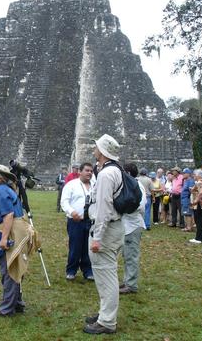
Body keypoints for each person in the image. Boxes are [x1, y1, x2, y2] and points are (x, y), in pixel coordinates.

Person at [84, 134, 124, 335]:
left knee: (106, 275)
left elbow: (103, 209)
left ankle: (107, 321)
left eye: (97, 146)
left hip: (106, 231)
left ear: (103, 150)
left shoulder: (107, 175)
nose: (94, 149)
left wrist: (97, 238)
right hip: (113, 228)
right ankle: (104, 313)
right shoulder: (113, 170)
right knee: (104, 274)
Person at [0, 164, 36, 316]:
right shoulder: (3, 190)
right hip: (15, 229)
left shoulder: (0, 190)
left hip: (11, 231)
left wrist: (4, 238)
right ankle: (17, 303)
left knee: (9, 271)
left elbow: (8, 215)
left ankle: (7, 308)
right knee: (14, 268)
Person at [60, 163, 95, 281]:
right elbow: (64, 201)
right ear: (80, 171)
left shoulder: (95, 186)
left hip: (90, 221)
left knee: (88, 247)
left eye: (91, 171)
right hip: (75, 220)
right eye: (87, 170)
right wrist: (72, 212)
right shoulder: (71, 185)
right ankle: (71, 270)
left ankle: (88, 270)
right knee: (75, 246)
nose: (89, 173)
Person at [119, 163, 146, 294]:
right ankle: (127, 280)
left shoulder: (137, 186)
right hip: (126, 225)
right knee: (127, 255)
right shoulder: (129, 185)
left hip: (133, 225)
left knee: (132, 255)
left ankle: (131, 285)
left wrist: (122, 208)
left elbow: (140, 206)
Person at [189, 169, 202, 244]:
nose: (193, 176)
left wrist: (195, 201)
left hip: (199, 204)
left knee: (198, 220)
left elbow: (201, 192)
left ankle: (198, 238)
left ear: (198, 175)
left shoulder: (199, 182)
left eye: (194, 174)